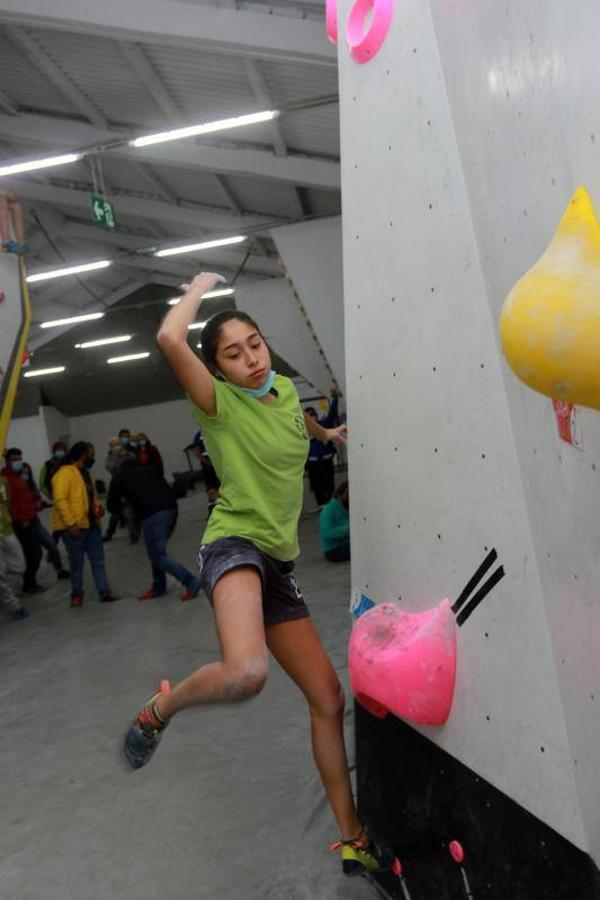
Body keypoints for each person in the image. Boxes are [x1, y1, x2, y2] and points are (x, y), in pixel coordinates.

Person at [123, 272, 395, 880]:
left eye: (255, 343)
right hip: (233, 546)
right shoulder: (219, 404)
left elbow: (299, 428)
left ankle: (352, 839)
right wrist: (196, 287)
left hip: (278, 563)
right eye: (232, 352)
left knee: (328, 697)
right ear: (216, 368)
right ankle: (161, 708)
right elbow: (170, 338)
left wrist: (331, 432)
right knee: (247, 673)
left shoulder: (285, 398)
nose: (250, 358)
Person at [107, 451, 201, 602]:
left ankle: (190, 582)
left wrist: (125, 504)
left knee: (157, 555)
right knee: (156, 551)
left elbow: (111, 505)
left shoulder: (120, 475)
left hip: (152, 514)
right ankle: (159, 586)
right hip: (170, 509)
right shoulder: (149, 468)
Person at [52, 442, 119, 607]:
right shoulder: (64, 473)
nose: (93, 457)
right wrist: (71, 524)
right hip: (74, 528)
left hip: (91, 525)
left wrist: (99, 509)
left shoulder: (87, 474)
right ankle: (76, 595)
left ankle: (105, 592)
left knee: (98, 561)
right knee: (77, 564)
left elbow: (92, 497)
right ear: (82, 454)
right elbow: (60, 500)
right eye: (91, 454)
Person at [1, 448, 68, 592]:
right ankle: (28, 584)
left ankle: (33, 582)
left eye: (20, 459)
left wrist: (36, 507)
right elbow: (9, 504)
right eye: (14, 459)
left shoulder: (20, 477)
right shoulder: (6, 480)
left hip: (32, 520)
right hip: (21, 523)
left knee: (40, 550)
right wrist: (20, 519)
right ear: (6, 461)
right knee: (32, 554)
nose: (18, 462)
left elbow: (28, 499)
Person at [20, 462, 70, 578]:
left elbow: (37, 499)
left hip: (35, 522)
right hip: (24, 525)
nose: (25, 474)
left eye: (27, 472)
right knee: (34, 554)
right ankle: (30, 580)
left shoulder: (31, 485)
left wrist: (39, 504)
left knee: (52, 546)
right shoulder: (16, 487)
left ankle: (59, 570)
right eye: (23, 472)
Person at [0, 474, 29, 620]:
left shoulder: (3, 480)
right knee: (0, 574)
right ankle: (15, 606)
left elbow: (7, 502)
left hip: (6, 529)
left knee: (20, 566)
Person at [304, 394, 340, 507]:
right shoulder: (301, 431)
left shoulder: (323, 426)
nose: (311, 418)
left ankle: (330, 505)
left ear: (315, 416)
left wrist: (335, 398)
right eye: (308, 417)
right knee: (317, 487)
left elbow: (332, 415)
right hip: (313, 465)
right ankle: (321, 507)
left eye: (312, 415)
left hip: (326, 462)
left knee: (330, 485)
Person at [190, 430, 220, 518]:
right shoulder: (199, 434)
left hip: (217, 466)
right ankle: (213, 511)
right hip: (209, 467)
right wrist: (208, 463)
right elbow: (197, 452)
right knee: (212, 489)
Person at [319, 481, 351, 562]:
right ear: (342, 494)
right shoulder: (329, 510)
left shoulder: (346, 507)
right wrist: (348, 530)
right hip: (333, 549)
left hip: (346, 544)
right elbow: (326, 532)